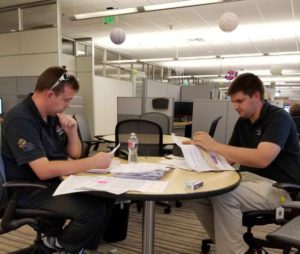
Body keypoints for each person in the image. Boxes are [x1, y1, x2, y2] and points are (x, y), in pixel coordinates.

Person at [1, 66, 114, 254]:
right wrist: (92, 162)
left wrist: (71, 131)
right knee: (92, 211)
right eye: (66, 100)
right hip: (28, 189)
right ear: (50, 94)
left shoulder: (51, 116)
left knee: (106, 198)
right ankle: (54, 247)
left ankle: (69, 246)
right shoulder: (21, 119)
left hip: (54, 183)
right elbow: (43, 170)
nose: (68, 105)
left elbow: (75, 153)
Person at [190, 73, 300, 254]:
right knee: (198, 192)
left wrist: (216, 145)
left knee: (223, 194)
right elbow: (229, 159)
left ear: (256, 96)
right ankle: (239, 248)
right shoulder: (243, 122)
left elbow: (262, 159)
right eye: (233, 101)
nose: (235, 107)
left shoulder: (278, 118)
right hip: (248, 180)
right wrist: (199, 151)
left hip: (280, 189)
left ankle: (236, 251)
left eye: (239, 101)